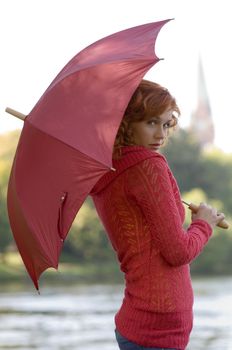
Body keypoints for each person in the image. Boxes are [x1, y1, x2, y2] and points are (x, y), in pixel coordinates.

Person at [90, 79, 224, 350]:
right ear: (126, 122)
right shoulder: (148, 166)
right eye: (150, 122)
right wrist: (203, 225)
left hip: (139, 324)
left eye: (165, 124)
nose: (160, 134)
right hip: (157, 331)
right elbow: (177, 252)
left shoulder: (108, 170)